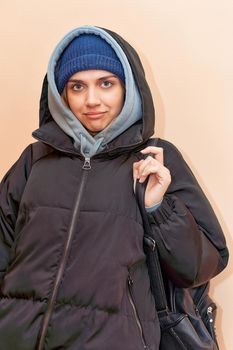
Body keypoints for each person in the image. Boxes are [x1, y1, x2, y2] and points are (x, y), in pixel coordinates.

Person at [0, 25, 228, 350]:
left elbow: (201, 266)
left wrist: (158, 208)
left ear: (128, 87)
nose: (92, 100)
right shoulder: (34, 160)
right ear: (61, 93)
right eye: (78, 86)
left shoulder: (156, 159)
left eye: (106, 83)